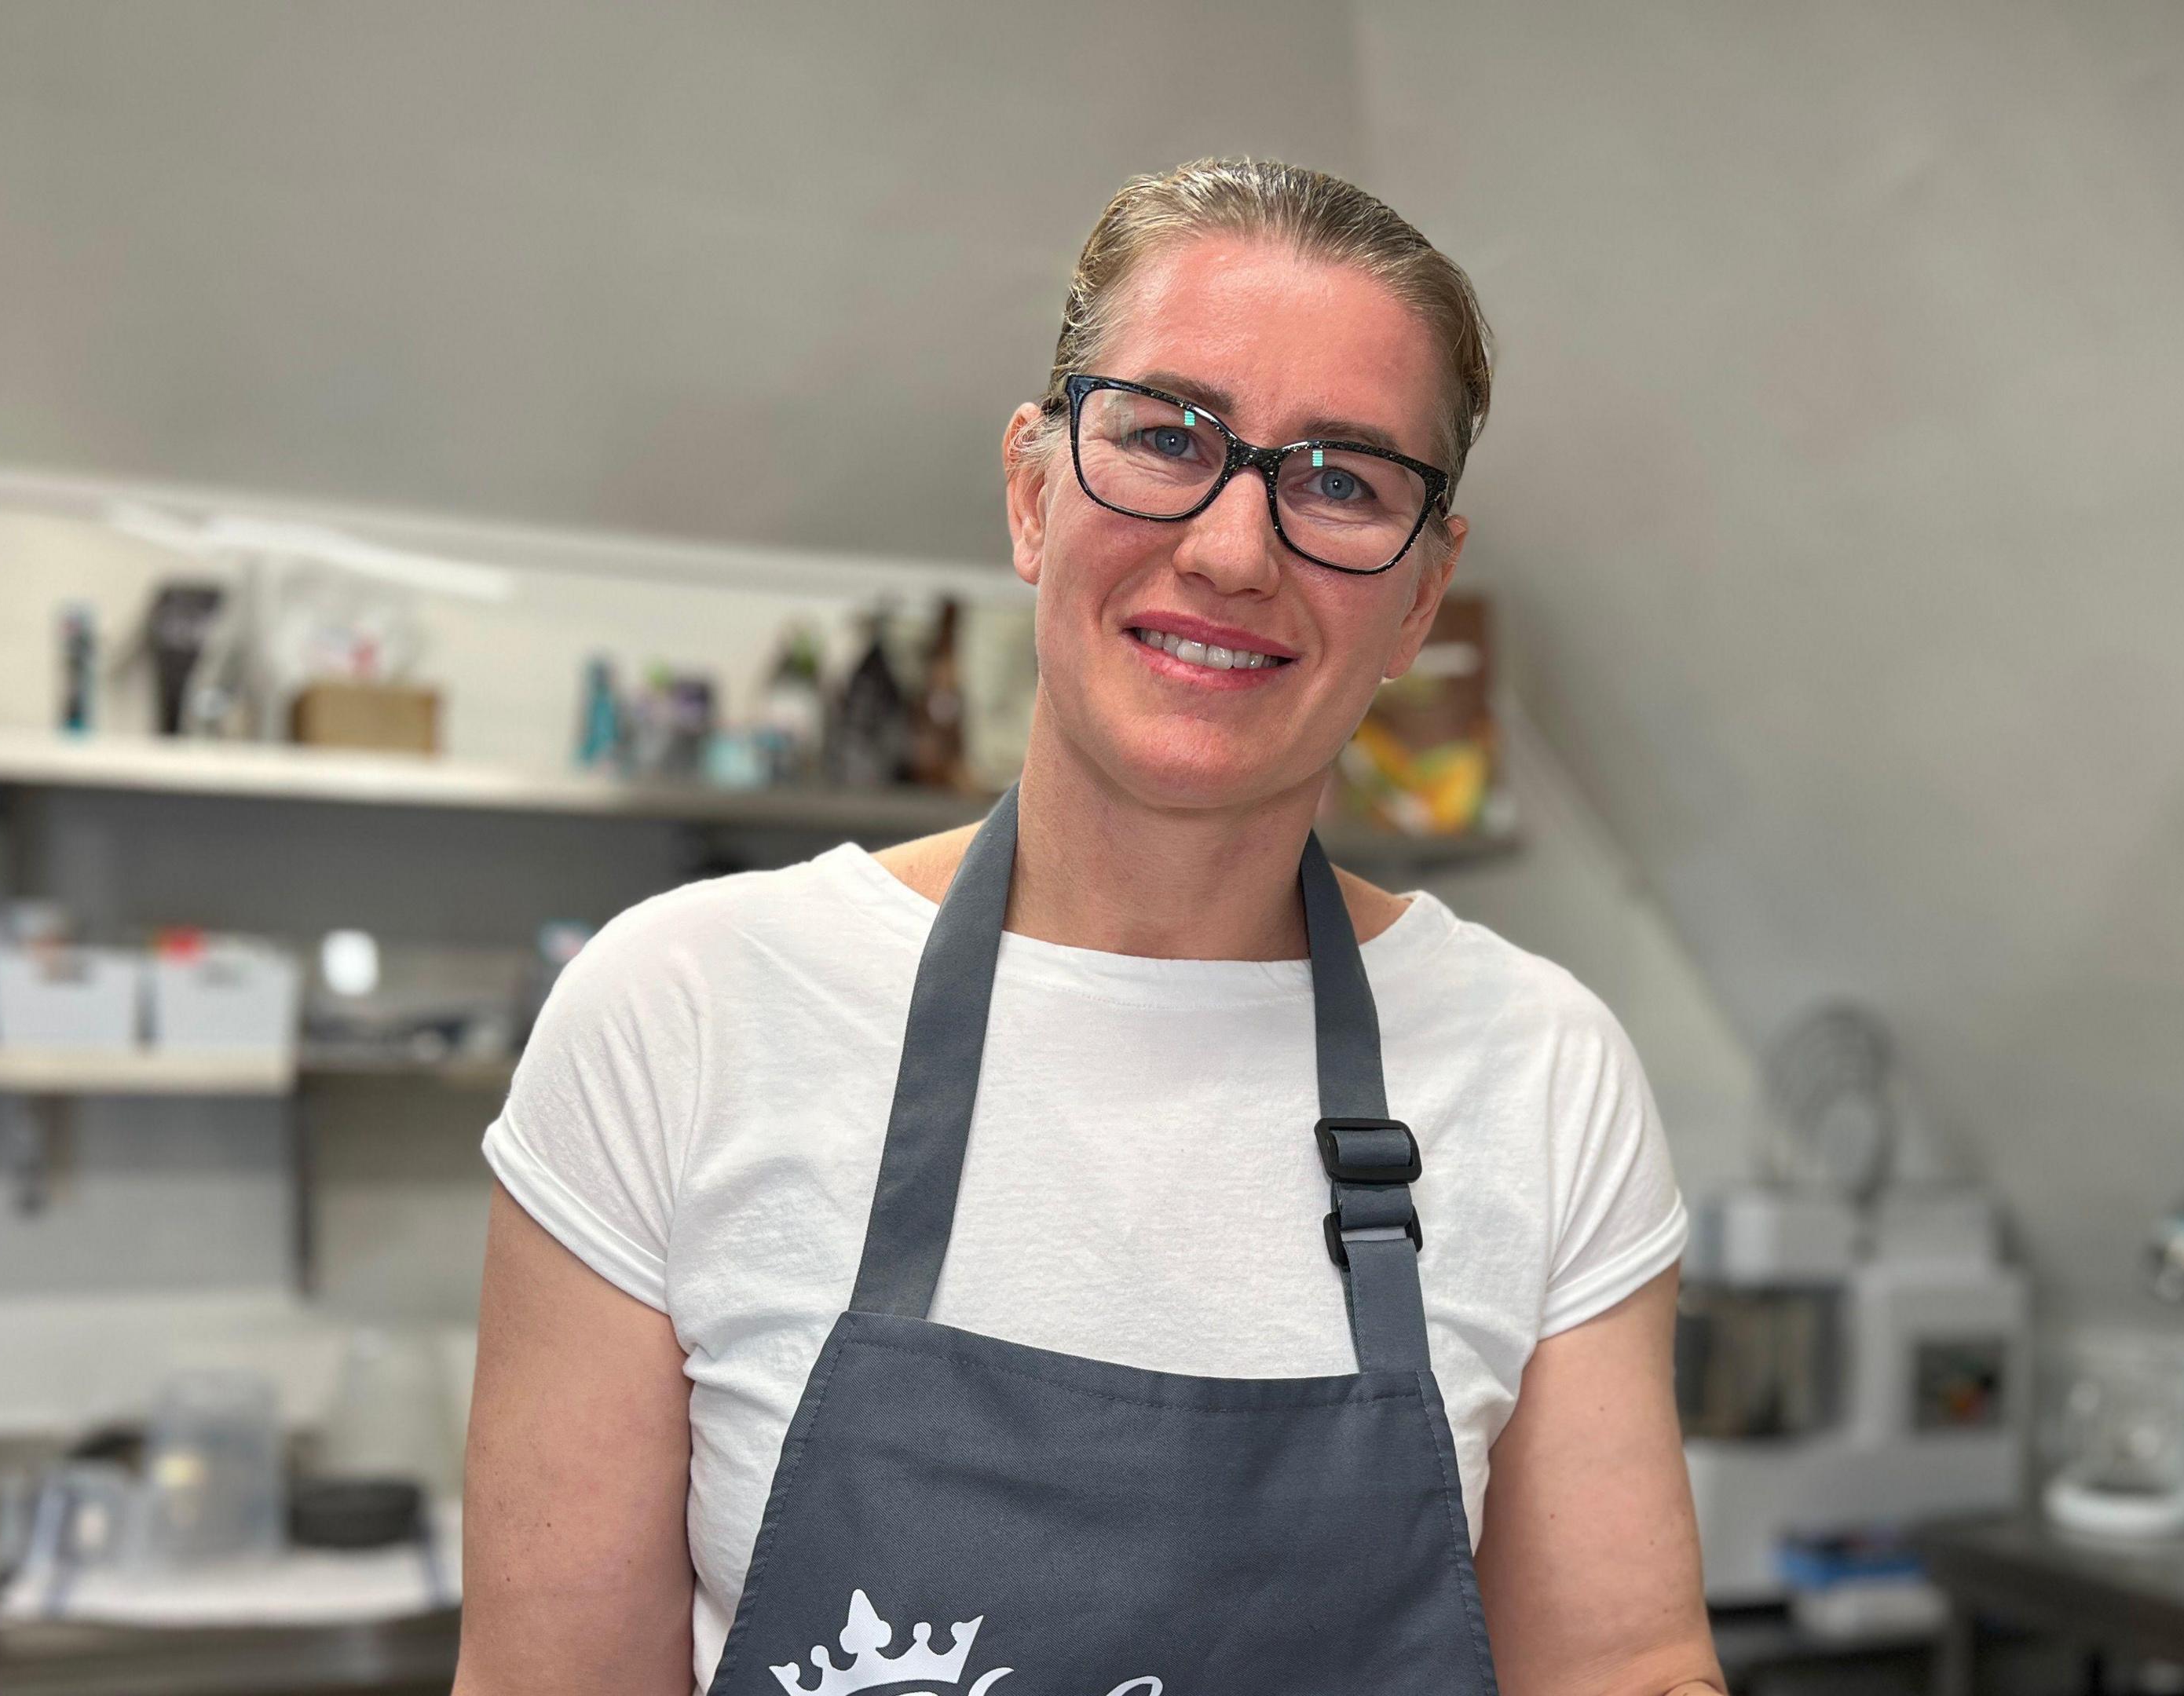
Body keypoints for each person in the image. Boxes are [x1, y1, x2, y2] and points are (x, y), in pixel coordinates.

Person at [459, 157, 1724, 1696]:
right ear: (1032, 487)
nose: (1234, 550)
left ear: (1419, 594)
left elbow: (1623, 1674)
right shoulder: (680, 1014)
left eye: (1343, 479)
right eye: (1165, 436)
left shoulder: (1540, 1073)